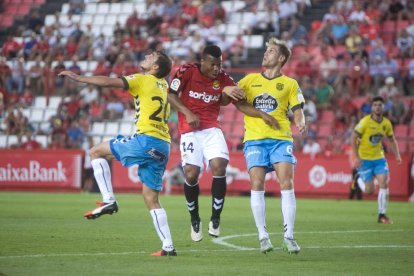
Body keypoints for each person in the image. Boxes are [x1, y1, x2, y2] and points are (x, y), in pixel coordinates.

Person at [58, 51, 177, 256]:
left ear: (155, 67)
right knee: (151, 198)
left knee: (96, 151)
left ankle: (108, 200)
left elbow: (108, 82)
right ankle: (168, 247)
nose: (147, 56)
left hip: (146, 140)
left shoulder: (143, 79)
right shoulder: (164, 86)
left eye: (152, 56)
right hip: (163, 145)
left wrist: (80, 78)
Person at [167, 45, 274, 242]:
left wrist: (261, 114)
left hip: (211, 129)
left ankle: (215, 218)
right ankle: (195, 219)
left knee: (219, 165)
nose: (217, 69)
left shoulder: (224, 78)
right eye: (213, 65)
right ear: (203, 62)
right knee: (191, 174)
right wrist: (188, 113)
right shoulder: (186, 70)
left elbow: (239, 104)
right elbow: (171, 95)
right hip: (189, 131)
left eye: (220, 64)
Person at [236, 38, 307, 254]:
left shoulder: (290, 84)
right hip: (255, 139)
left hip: (281, 139)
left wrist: (301, 121)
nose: (266, 54)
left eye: (271, 51)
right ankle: (263, 236)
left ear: (281, 58)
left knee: (287, 183)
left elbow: (297, 108)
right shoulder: (249, 80)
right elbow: (236, 100)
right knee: (257, 183)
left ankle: (289, 236)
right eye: (266, 50)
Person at [351, 96, 402, 224]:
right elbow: (353, 138)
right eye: (375, 105)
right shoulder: (364, 122)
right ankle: (358, 179)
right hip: (365, 160)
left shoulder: (386, 123)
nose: (377, 107)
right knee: (369, 191)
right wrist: (356, 157)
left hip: (379, 158)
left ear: (383, 107)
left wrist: (397, 155)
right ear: (371, 107)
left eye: (380, 104)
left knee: (384, 183)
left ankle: (382, 215)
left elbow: (391, 139)